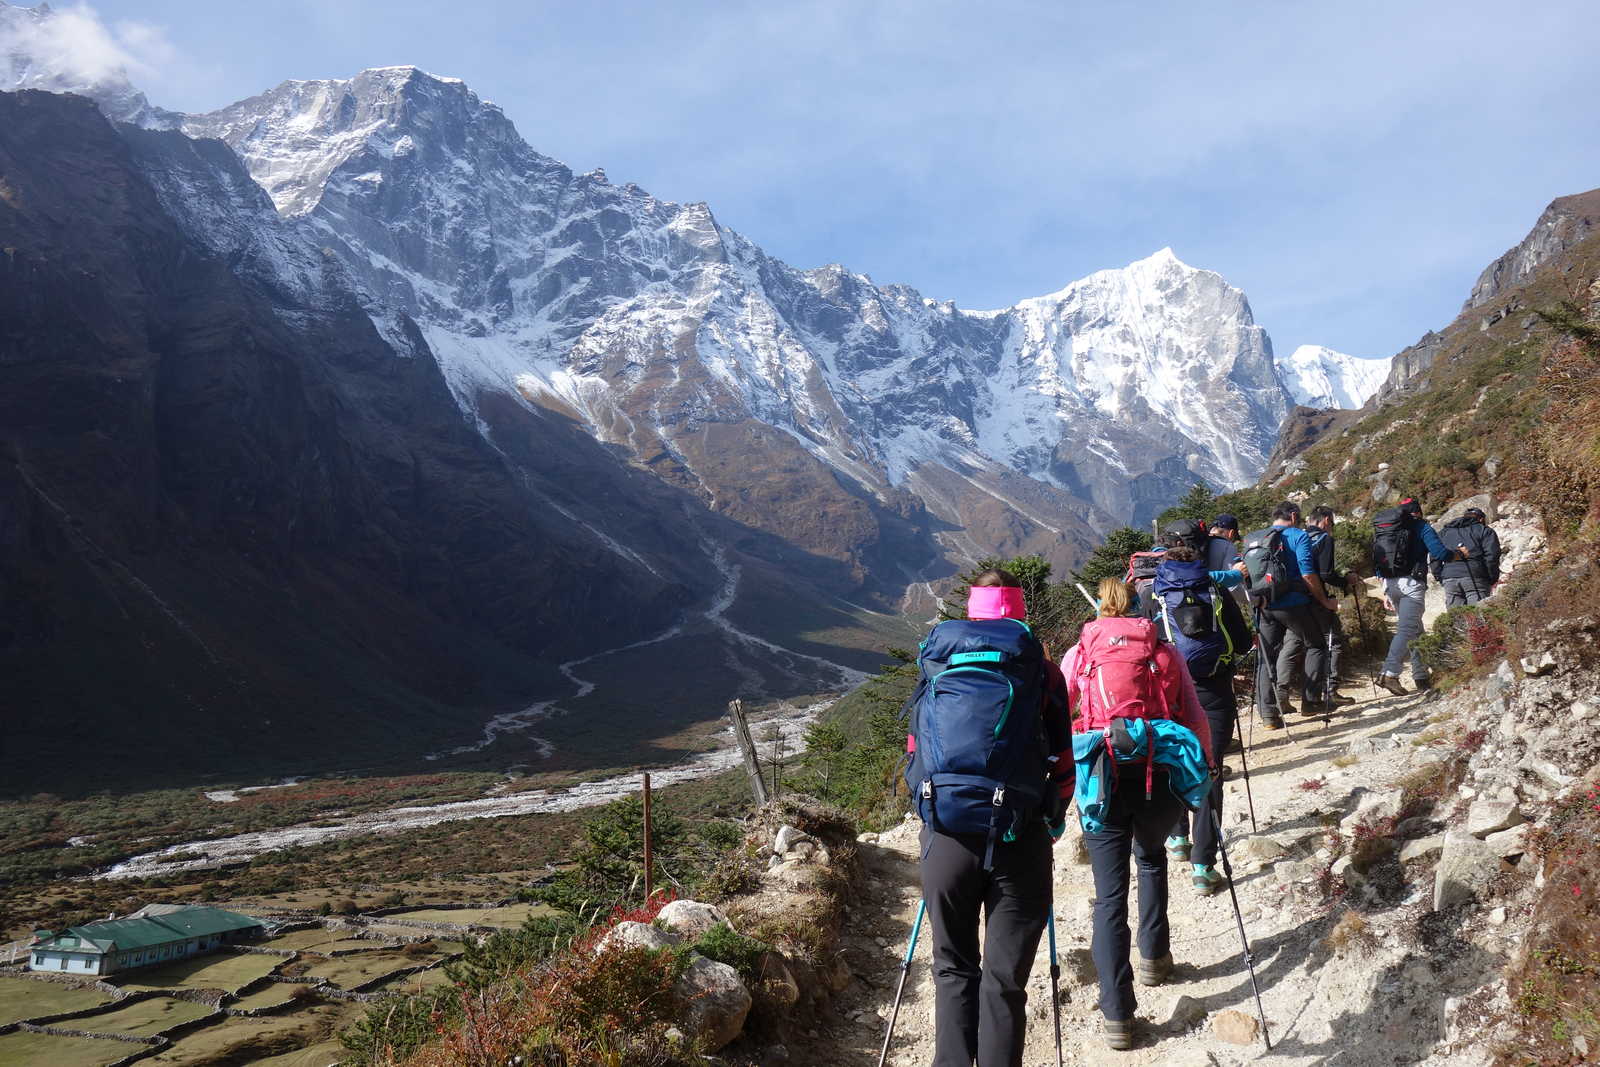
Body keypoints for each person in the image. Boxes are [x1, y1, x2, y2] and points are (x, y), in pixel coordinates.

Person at [909, 569, 1073, 1067]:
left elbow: (916, 752)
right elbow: (1063, 762)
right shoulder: (1039, 669)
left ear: (973, 609)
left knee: (953, 969)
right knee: (1004, 981)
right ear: (1018, 611)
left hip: (947, 834)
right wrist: (1054, 818)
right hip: (1018, 834)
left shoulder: (936, 662)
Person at [1061, 578, 1215, 1051]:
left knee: (1109, 898)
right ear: (1140, 610)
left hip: (1102, 775)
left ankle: (1117, 1016)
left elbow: (1059, 710)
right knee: (1151, 858)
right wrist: (1204, 772)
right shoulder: (1163, 653)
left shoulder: (1080, 654)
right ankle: (1154, 957)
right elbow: (1193, 717)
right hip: (1157, 773)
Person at [1146, 539, 1248, 897]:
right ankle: (1204, 867)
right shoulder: (1214, 588)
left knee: (1173, 763)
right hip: (1214, 689)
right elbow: (1243, 639)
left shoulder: (1151, 595)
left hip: (1169, 694)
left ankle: (1177, 839)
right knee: (1211, 768)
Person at [1252, 502, 1339, 721]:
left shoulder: (1256, 538)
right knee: (1316, 644)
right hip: (1293, 604)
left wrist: (1255, 599)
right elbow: (1308, 574)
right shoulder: (1297, 536)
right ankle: (1311, 703)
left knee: (1266, 658)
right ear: (1292, 515)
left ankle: (1268, 714)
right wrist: (1324, 600)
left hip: (1264, 604)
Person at [1376, 498, 1462, 695]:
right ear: (1419, 512)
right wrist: (1458, 554)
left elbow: (1378, 558)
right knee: (1406, 629)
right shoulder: (1421, 526)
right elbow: (1440, 553)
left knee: (1415, 630)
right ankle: (1389, 673)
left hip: (1390, 584)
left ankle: (1421, 676)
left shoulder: (1387, 528)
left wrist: (1385, 591)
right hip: (1411, 585)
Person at [1306, 506, 1355, 708]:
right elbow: (1326, 574)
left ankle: (1290, 695)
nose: (1332, 527)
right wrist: (1345, 582)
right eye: (1332, 523)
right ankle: (1330, 691)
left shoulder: (1298, 537)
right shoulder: (1324, 539)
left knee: (1304, 645)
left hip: (1295, 599)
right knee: (1332, 641)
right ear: (1326, 520)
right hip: (1318, 597)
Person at [1434, 506, 1501, 607]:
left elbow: (1435, 556)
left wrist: (1440, 576)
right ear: (1481, 519)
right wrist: (1491, 578)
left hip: (1449, 578)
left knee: (1455, 617)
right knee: (1478, 616)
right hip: (1476, 577)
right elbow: (1492, 556)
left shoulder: (1443, 532)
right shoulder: (1485, 531)